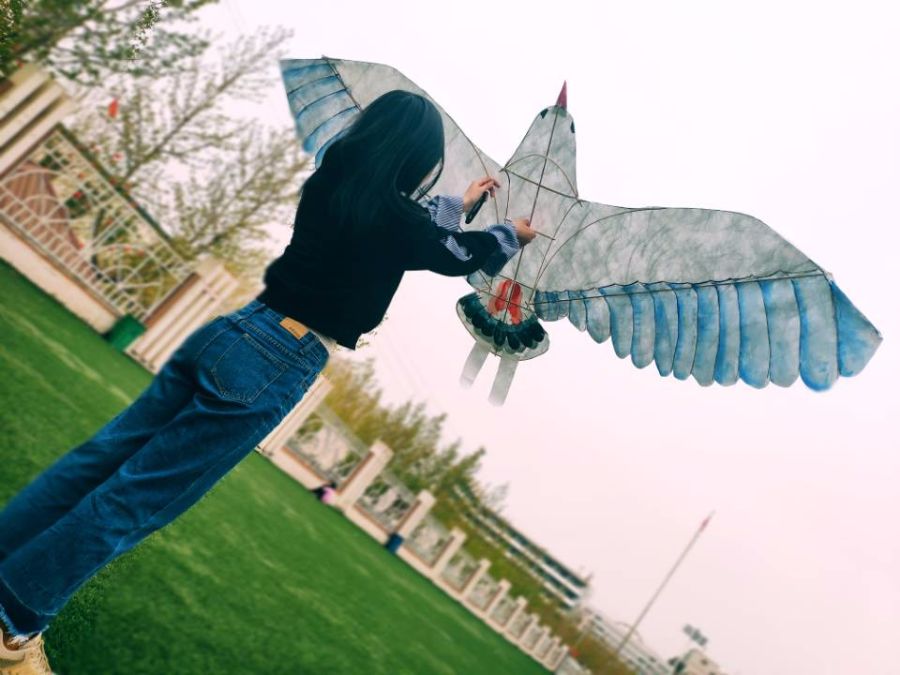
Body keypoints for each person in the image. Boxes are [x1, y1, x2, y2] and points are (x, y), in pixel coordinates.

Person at [0, 89, 537, 672]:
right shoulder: (397, 221)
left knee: (102, 459)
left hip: (233, 330)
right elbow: (455, 253)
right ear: (415, 159)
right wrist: (509, 233)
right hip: (278, 357)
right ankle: (12, 622)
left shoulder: (331, 182)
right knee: (138, 497)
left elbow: (420, 232)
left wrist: (460, 202)